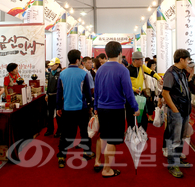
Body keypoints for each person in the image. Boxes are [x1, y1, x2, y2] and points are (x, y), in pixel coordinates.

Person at [94, 41, 140, 178]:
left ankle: (97, 161)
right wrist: (135, 107)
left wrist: (96, 106)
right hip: (116, 109)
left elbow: (96, 91)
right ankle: (107, 169)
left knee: (103, 135)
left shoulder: (100, 69)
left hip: (102, 108)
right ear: (120, 53)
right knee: (112, 140)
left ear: (106, 53)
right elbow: (128, 92)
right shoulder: (122, 70)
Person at [162, 49, 195, 178]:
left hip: (184, 110)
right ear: (181, 59)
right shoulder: (171, 73)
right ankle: (172, 164)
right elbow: (165, 93)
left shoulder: (182, 72)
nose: (189, 62)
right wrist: (175, 110)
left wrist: (192, 76)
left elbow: (194, 90)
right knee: (174, 139)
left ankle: (177, 159)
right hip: (176, 111)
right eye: (187, 59)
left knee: (181, 137)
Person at [56, 50, 94, 168]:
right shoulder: (84, 74)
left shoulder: (62, 74)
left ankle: (62, 156)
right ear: (78, 60)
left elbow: (59, 92)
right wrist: (90, 106)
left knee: (66, 133)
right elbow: (87, 92)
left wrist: (58, 107)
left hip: (67, 108)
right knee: (85, 132)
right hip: (81, 108)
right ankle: (87, 152)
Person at [127, 51, 162, 132]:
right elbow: (126, 85)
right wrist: (134, 89)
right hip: (130, 95)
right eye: (140, 60)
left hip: (140, 95)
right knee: (130, 116)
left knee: (142, 117)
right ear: (135, 60)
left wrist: (159, 78)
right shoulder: (128, 70)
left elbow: (151, 72)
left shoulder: (142, 67)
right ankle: (131, 133)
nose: (142, 61)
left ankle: (142, 133)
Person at [45, 58, 62, 137]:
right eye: (50, 65)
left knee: (59, 114)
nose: (51, 66)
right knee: (49, 114)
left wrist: (62, 95)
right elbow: (48, 85)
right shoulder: (50, 73)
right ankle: (50, 130)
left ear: (58, 65)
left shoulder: (61, 73)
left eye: (53, 65)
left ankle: (59, 131)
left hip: (58, 96)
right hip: (50, 96)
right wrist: (47, 94)